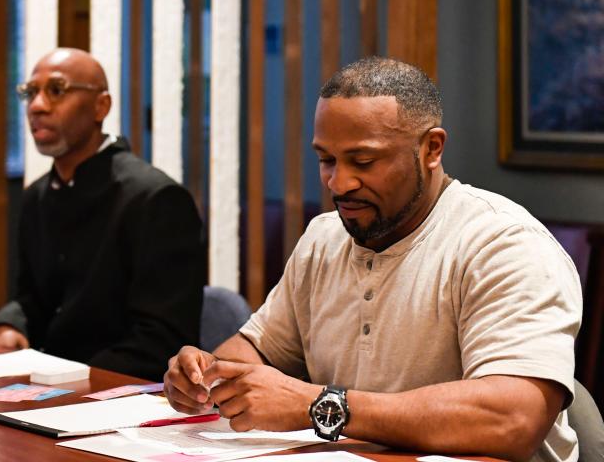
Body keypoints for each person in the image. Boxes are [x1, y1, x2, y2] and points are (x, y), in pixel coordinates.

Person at [164, 57, 582, 462]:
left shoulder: (504, 245)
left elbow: (513, 420)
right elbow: (259, 351)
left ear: (431, 149)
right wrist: (208, 375)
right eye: (326, 160)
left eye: (363, 161)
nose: (339, 183)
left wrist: (321, 406)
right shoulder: (325, 237)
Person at [0, 48, 206, 380]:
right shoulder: (37, 196)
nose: (37, 106)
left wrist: (71, 380)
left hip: (120, 394)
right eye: (31, 92)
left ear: (101, 106)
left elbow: (161, 340)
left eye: (56, 90)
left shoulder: (156, 198)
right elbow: (33, 298)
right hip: (51, 385)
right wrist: (8, 325)